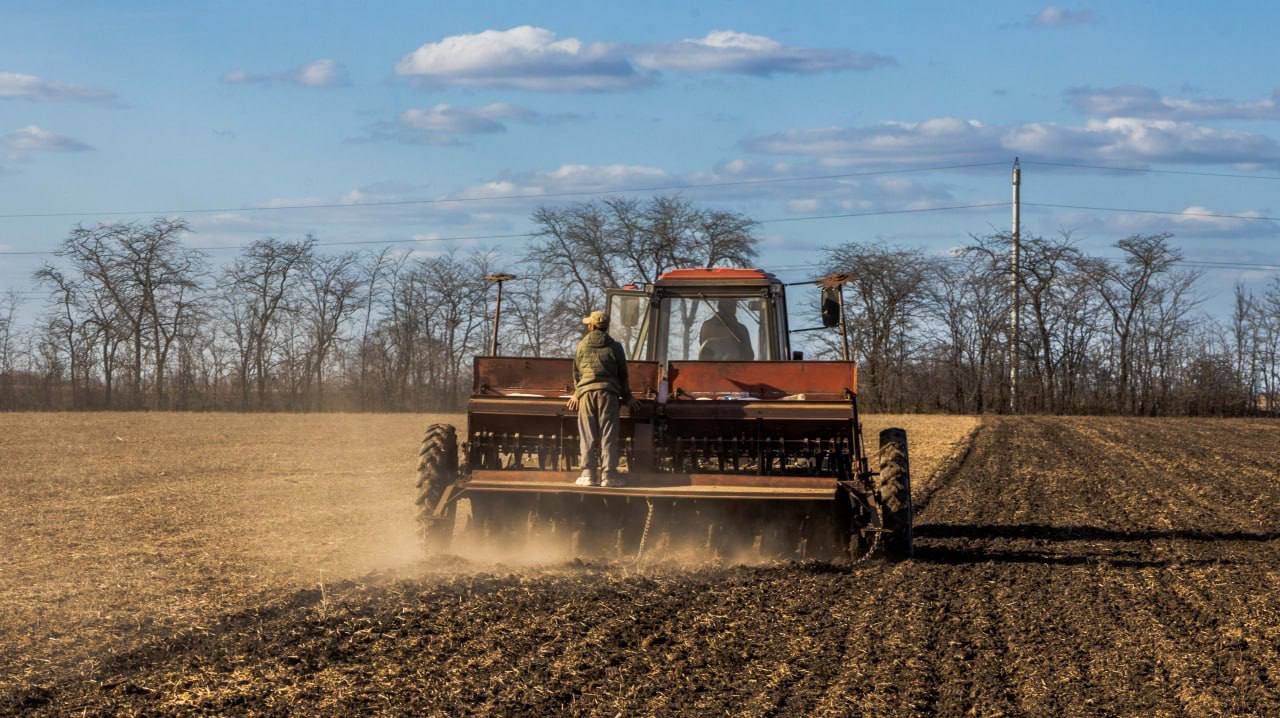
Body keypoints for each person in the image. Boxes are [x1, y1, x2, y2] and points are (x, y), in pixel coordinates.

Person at [567, 310, 639, 487]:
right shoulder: (615, 347)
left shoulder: (581, 345)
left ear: (591, 326)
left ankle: (588, 474)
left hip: (586, 395)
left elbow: (576, 373)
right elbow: (623, 375)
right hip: (609, 395)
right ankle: (609, 475)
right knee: (608, 435)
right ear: (606, 327)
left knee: (588, 434)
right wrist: (628, 397)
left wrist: (577, 393)